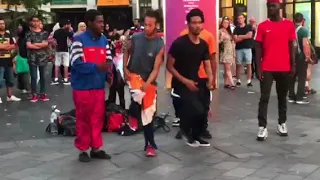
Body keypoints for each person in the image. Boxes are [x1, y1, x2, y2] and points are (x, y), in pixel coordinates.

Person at [70, 9, 113, 162]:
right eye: (99, 21)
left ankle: (96, 148)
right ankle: (83, 149)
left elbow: (108, 61)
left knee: (97, 118)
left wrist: (109, 75)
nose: (103, 24)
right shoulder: (78, 40)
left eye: (103, 21)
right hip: (82, 88)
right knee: (83, 119)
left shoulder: (104, 40)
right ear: (89, 23)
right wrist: (96, 68)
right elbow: (75, 63)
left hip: (98, 87)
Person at [167, 8, 213, 147]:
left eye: (200, 22)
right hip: (181, 83)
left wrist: (211, 79)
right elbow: (169, 66)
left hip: (196, 80)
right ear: (188, 24)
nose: (197, 25)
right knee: (195, 109)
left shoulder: (204, 44)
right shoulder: (179, 43)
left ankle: (197, 136)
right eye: (194, 23)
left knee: (203, 110)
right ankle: (187, 134)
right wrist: (185, 81)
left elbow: (207, 64)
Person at [123, 10, 164, 157]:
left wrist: (148, 83)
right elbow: (126, 51)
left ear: (156, 25)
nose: (146, 28)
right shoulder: (136, 37)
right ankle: (133, 115)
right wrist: (124, 67)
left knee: (148, 115)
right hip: (134, 77)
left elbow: (156, 67)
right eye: (145, 24)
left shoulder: (160, 44)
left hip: (149, 81)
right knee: (137, 95)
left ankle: (149, 145)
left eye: (150, 25)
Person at [255, 0, 296, 141]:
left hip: (284, 68)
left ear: (280, 7)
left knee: (282, 97)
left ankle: (282, 123)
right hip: (267, 68)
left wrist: (293, 64)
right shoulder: (262, 26)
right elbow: (258, 48)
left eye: (273, 6)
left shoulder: (289, 25)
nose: (270, 9)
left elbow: (292, 45)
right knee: (264, 97)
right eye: (269, 6)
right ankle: (262, 127)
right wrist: (258, 68)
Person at [288, 13, 311, 105]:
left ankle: (291, 96)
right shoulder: (303, 31)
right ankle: (299, 97)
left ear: (294, 20)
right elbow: (305, 45)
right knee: (302, 77)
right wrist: (307, 57)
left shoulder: (290, 30)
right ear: (302, 20)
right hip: (300, 56)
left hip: (291, 56)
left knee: (292, 76)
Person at [26, 16, 50, 102]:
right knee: (34, 77)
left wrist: (35, 45)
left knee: (43, 76)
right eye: (34, 21)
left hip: (43, 58)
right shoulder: (29, 33)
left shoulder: (44, 33)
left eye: (37, 21)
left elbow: (46, 44)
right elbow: (28, 45)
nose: (35, 23)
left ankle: (42, 93)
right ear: (31, 22)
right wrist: (40, 45)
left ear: (39, 22)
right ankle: (34, 94)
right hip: (32, 58)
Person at [0, 17, 21, 103]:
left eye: (3, 23)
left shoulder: (9, 34)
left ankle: (9, 96)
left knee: (10, 79)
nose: (2, 25)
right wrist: (6, 47)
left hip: (8, 60)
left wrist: (4, 47)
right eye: (0, 23)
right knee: (0, 80)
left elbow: (14, 45)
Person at [233, 14, 253, 87]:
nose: (240, 19)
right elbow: (235, 39)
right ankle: (238, 80)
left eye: (241, 18)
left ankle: (249, 80)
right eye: (238, 18)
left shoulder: (248, 27)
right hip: (239, 48)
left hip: (248, 48)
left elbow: (250, 35)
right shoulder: (236, 29)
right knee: (238, 65)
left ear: (244, 19)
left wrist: (240, 36)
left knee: (248, 64)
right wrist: (245, 36)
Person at [52, 19, 73, 85]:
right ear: (65, 25)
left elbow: (54, 40)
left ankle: (56, 79)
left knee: (57, 64)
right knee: (66, 65)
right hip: (65, 49)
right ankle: (65, 79)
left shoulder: (56, 32)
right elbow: (72, 36)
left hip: (58, 49)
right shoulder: (66, 31)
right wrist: (70, 29)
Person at [219, 16, 236, 89]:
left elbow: (232, 41)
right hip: (225, 51)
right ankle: (232, 83)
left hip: (230, 51)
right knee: (228, 68)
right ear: (222, 23)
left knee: (227, 68)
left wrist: (233, 52)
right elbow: (218, 42)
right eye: (225, 23)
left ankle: (226, 83)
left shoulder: (229, 31)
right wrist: (222, 38)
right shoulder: (220, 31)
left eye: (227, 23)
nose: (226, 24)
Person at [16, 23, 31, 94]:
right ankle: (27, 89)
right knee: (24, 74)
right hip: (23, 57)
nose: (18, 29)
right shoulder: (21, 38)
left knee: (23, 73)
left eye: (20, 28)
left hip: (24, 57)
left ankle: (24, 88)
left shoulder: (25, 38)